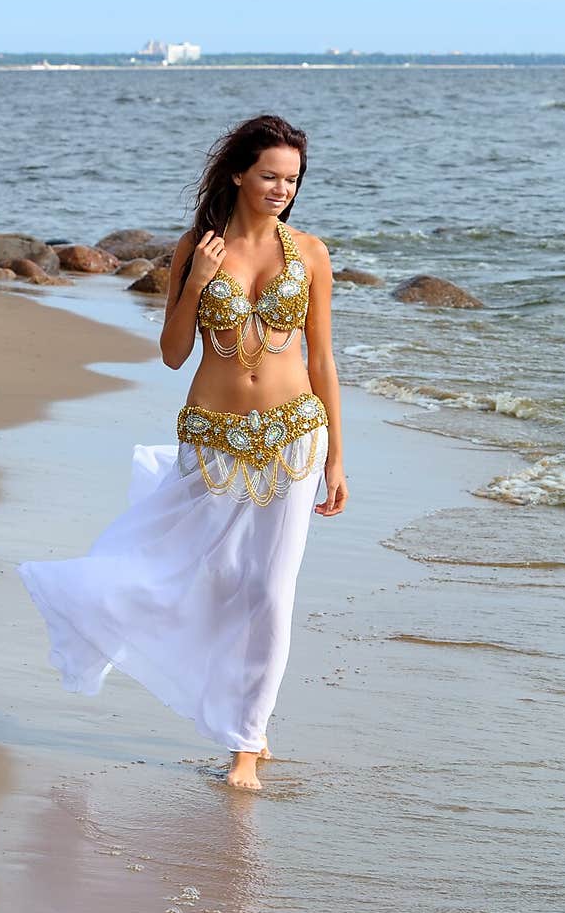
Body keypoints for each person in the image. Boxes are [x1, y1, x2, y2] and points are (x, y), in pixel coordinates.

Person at [18, 113, 348, 790]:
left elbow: (324, 358)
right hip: (212, 436)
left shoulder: (309, 253)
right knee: (211, 580)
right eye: (269, 176)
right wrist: (196, 280)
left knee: (270, 590)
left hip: (294, 436)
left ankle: (247, 746)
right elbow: (172, 356)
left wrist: (337, 458)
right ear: (237, 172)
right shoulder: (196, 247)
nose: (281, 188)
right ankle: (232, 704)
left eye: (291, 179)